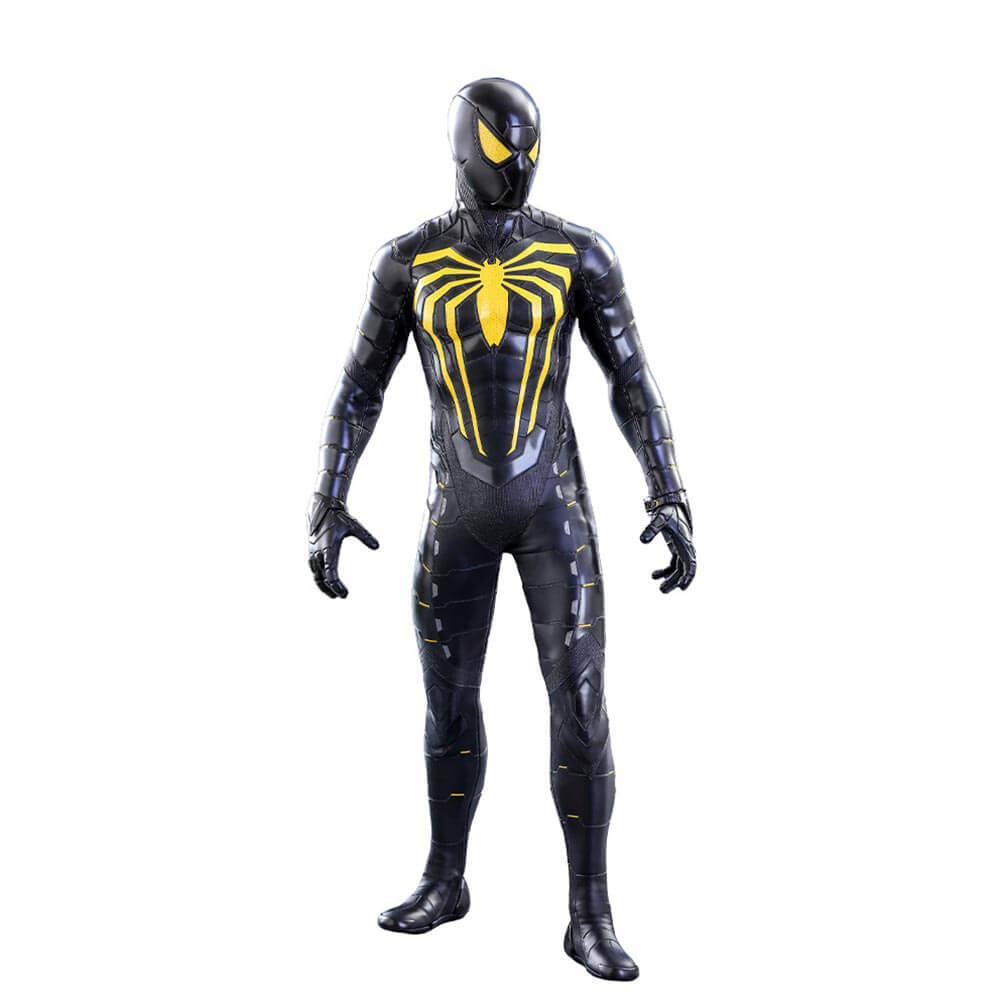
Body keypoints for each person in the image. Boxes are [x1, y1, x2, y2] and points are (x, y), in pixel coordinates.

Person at [307, 77, 696, 981]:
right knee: (448, 702)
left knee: (583, 703)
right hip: (459, 512)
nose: (516, 162)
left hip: (552, 505)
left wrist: (669, 491)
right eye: (499, 146)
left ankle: (590, 914)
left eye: (527, 145)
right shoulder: (409, 260)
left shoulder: (579, 254)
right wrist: (328, 497)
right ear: (462, 147)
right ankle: (446, 880)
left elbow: (632, 379)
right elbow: (360, 386)